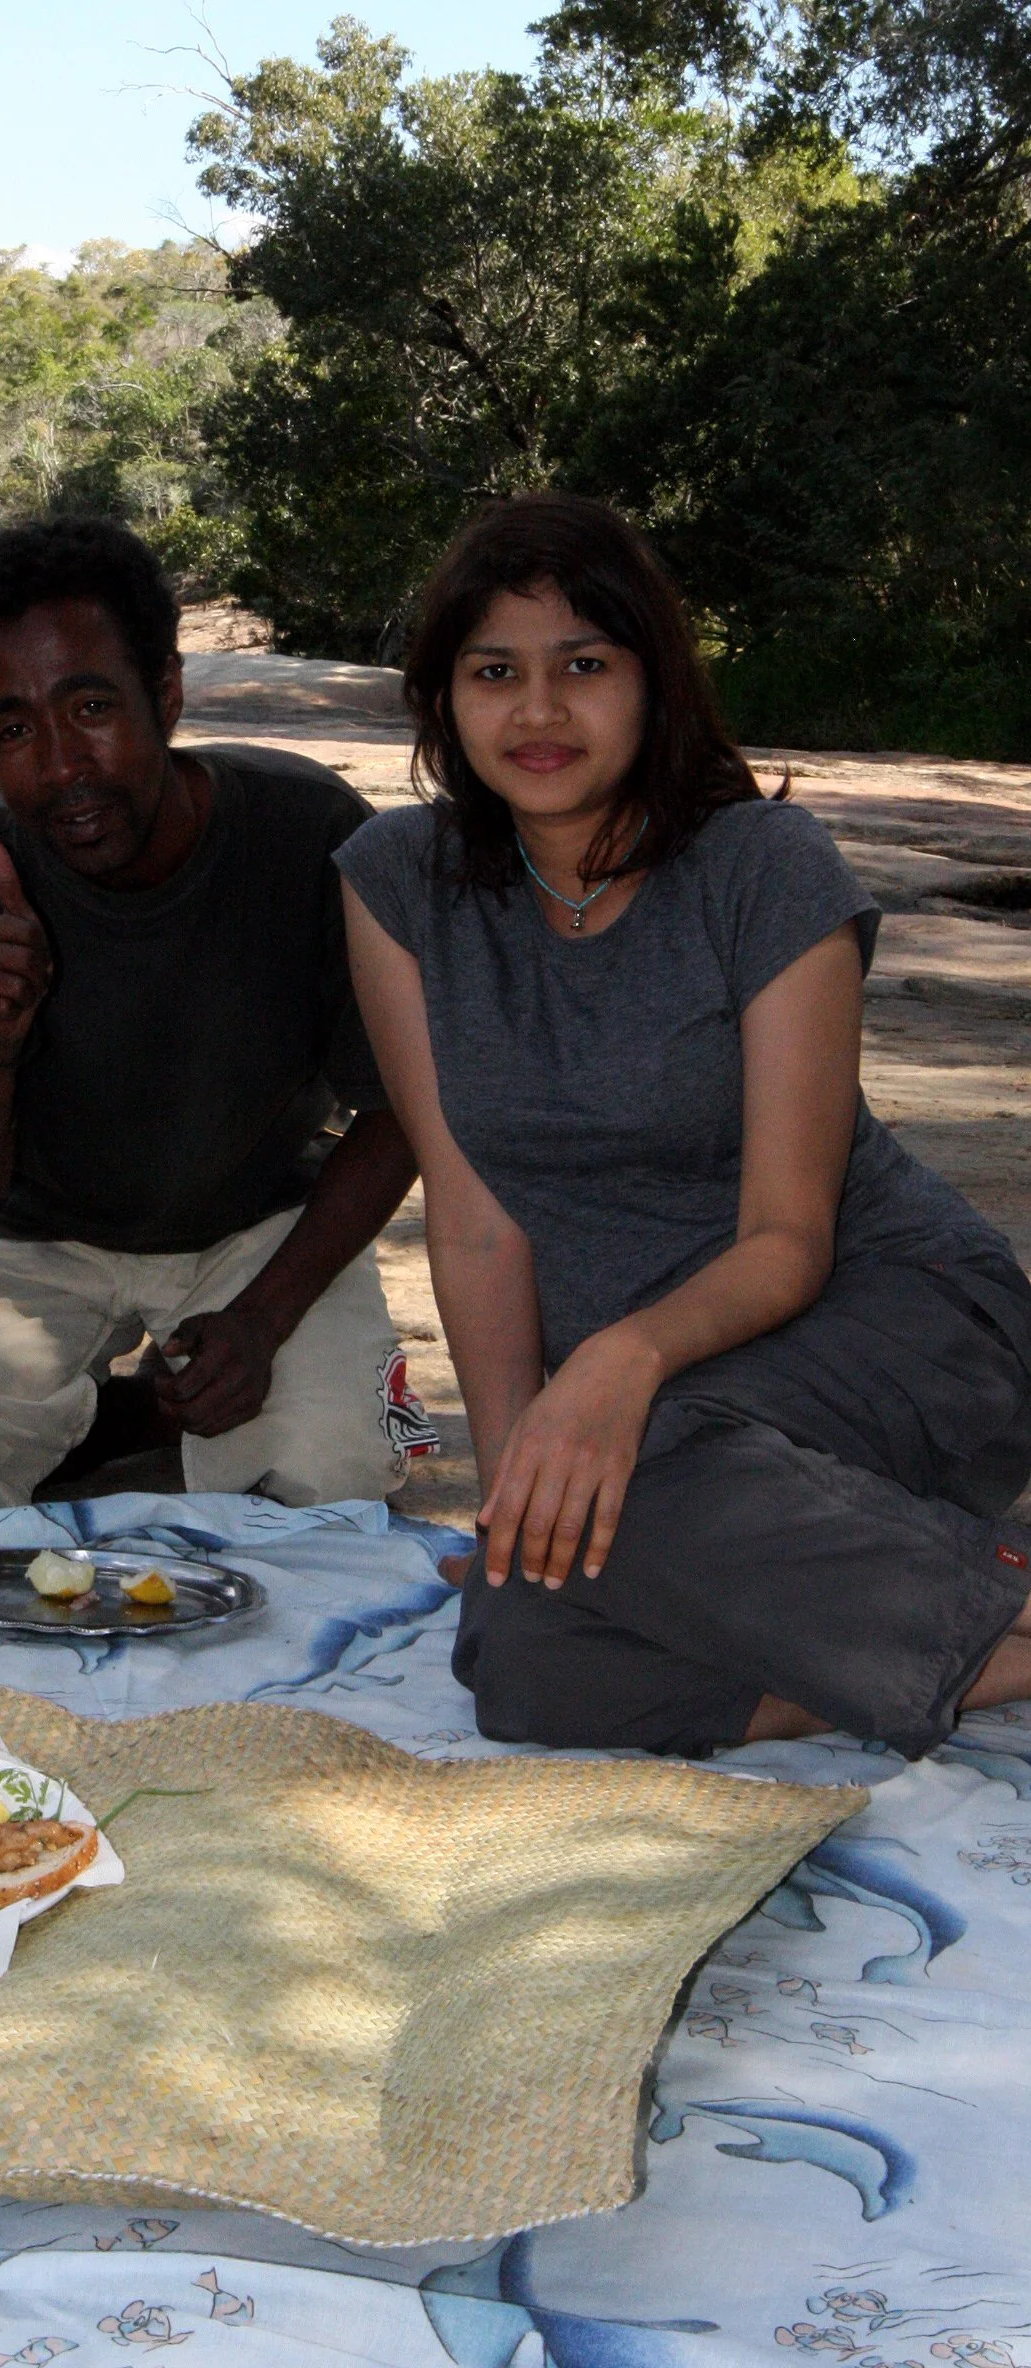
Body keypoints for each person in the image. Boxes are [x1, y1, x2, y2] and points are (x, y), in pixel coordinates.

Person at [338, 490, 1031, 1759]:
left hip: (893, 1320)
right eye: (495, 672)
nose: (538, 712)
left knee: (639, 1467)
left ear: (654, 683)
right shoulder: (398, 884)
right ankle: (970, 1627)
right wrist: (512, 1502)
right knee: (521, 1662)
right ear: (445, 701)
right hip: (680, 1410)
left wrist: (615, 1363)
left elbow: (786, 1235)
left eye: (583, 667)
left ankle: (960, 1599)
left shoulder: (767, 869)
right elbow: (477, 1221)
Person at [0, 514, 437, 1507]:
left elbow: (400, 1114)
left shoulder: (308, 835)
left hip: (255, 1226)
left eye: (91, 704)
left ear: (166, 692)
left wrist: (263, 1319)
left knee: (341, 1469)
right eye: (11, 729)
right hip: (38, 1239)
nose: (61, 765)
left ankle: (170, 1404)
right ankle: (131, 1413)